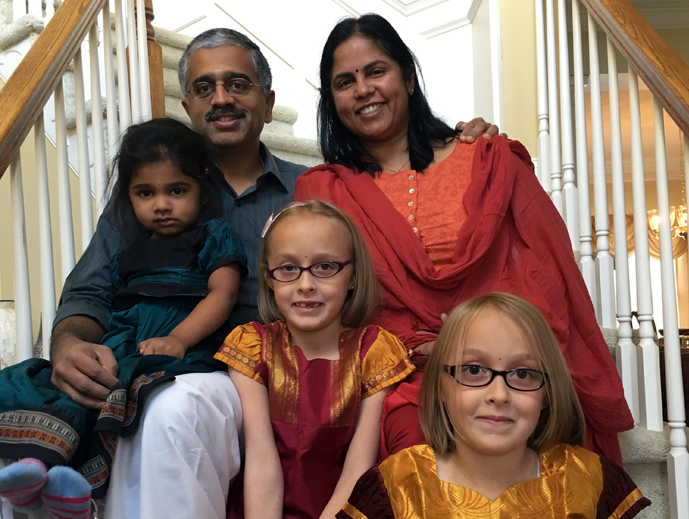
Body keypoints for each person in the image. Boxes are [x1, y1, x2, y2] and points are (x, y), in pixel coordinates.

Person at [30, 26, 497, 518]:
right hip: (174, 362)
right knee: (136, 402)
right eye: (204, 88)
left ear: (269, 103)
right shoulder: (154, 194)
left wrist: (455, 144)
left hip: (278, 373)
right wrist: (69, 344)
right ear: (186, 108)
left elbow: (397, 230)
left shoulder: (318, 188)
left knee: (171, 408)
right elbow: (88, 291)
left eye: (238, 84)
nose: (222, 99)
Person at [295, 13, 633, 465]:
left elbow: (546, 278)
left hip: (505, 358)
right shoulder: (324, 190)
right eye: (344, 81)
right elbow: (331, 304)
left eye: (376, 71)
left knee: (532, 424)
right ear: (332, 100)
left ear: (408, 78)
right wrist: (418, 351)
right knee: (413, 440)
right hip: (400, 371)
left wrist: (470, 346)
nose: (362, 90)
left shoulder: (490, 160)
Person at [0, 118, 247, 516]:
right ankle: (43, 471)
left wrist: (180, 339)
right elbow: (100, 299)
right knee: (54, 386)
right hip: (125, 341)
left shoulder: (213, 235)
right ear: (129, 197)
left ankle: (79, 487)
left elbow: (224, 293)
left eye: (177, 190)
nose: (161, 204)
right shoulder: (126, 251)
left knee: (131, 398)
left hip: (179, 345)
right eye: (145, 193)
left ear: (202, 193)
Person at [338, 293, 651, 518]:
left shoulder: (588, 480)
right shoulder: (399, 484)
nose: (498, 395)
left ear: (548, 393)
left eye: (523, 373)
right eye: (474, 370)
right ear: (441, 387)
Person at [215, 200, 414, 519]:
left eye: (325, 267)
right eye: (288, 268)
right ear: (268, 277)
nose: (306, 285)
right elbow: (261, 462)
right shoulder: (253, 346)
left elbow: (357, 471)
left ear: (352, 276)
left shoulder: (375, 353)